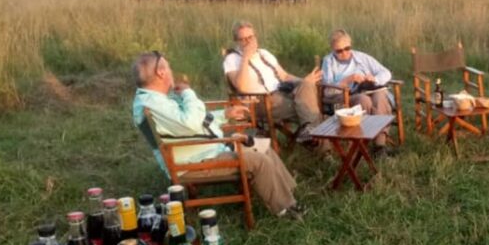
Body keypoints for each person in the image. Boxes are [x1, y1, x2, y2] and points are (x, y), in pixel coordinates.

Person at [131, 51, 303, 218]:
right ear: (161, 72)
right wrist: (188, 93)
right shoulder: (154, 103)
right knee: (258, 160)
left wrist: (224, 115)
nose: (171, 72)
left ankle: (288, 194)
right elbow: (191, 121)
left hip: (203, 151)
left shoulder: (156, 99)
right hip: (193, 163)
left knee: (262, 146)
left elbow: (193, 123)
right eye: (168, 68)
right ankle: (286, 209)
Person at [223, 21, 322, 142]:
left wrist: (305, 82)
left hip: (282, 93)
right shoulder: (232, 59)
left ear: (255, 37)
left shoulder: (264, 53)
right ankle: (323, 150)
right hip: (261, 102)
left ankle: (309, 132)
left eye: (250, 37)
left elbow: (285, 76)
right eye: (243, 39)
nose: (248, 42)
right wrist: (245, 57)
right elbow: (242, 87)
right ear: (236, 42)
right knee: (310, 109)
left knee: (307, 88)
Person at [320, 29, 394, 149]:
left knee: (380, 96)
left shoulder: (360, 57)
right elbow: (328, 91)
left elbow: (385, 72)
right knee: (364, 100)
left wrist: (374, 79)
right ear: (333, 49)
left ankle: (380, 144)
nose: (344, 53)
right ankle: (360, 141)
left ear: (351, 46)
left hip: (367, 90)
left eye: (347, 48)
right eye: (339, 51)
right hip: (343, 96)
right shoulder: (329, 61)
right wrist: (347, 80)